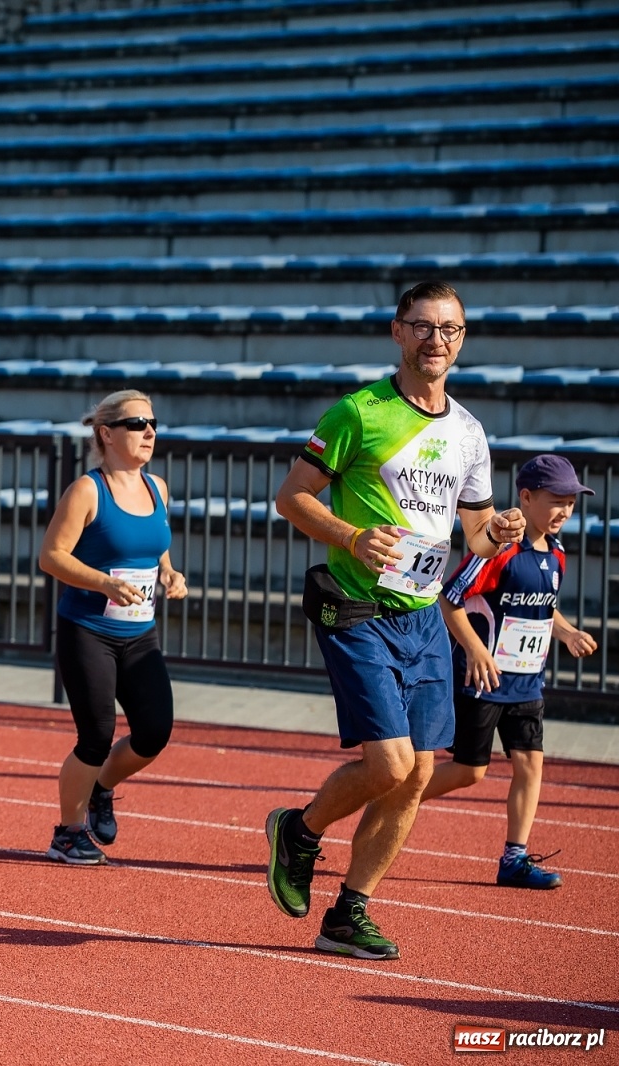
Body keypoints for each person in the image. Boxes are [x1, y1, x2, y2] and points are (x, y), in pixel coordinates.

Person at [266, 280, 524, 961]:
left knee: (415, 775)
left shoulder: (469, 432)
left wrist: (500, 532)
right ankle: (300, 829)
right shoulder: (359, 412)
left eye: (449, 328)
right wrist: (352, 536)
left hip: (423, 616)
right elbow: (292, 498)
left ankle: (348, 912)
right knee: (389, 763)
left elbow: (475, 536)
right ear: (397, 331)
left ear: (462, 339)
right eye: (422, 326)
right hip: (357, 607)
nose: (436, 339)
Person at [421, 454, 598, 889]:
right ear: (526, 498)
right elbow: (450, 599)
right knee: (469, 770)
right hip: (483, 681)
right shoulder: (498, 551)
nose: (564, 510)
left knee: (531, 764)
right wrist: (476, 650)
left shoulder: (557, 554)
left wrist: (568, 632)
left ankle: (514, 859)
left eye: (571, 502)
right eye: (556, 500)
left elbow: (543, 609)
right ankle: (397, 800)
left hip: (527, 683)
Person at [38, 390, 187, 865]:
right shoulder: (87, 490)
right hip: (88, 630)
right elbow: (51, 557)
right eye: (137, 424)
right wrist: (103, 582)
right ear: (106, 433)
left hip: (140, 634)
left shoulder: (157, 488)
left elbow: (154, 543)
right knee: (96, 736)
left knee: (154, 731)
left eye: (153, 423)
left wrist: (169, 572)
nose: (149, 432)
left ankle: (102, 786)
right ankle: (67, 833)